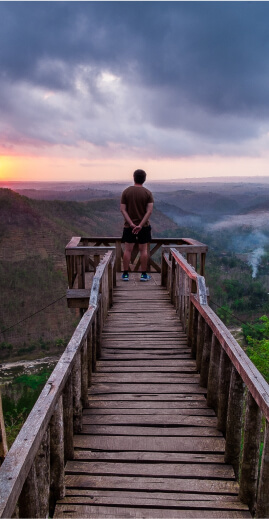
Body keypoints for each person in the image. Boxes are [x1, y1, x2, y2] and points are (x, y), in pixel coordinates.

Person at [120, 169, 154, 281]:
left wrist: (131, 224)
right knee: (143, 250)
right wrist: (140, 225)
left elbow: (123, 210)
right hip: (143, 227)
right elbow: (149, 211)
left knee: (127, 250)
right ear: (144, 179)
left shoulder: (126, 192)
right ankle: (144, 275)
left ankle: (125, 274)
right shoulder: (148, 193)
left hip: (128, 227)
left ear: (134, 178)